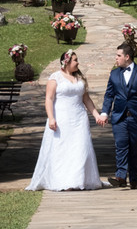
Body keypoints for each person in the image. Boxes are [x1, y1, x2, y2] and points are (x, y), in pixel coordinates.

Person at [26, 49, 107, 191]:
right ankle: (65, 181)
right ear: (66, 62)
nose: (78, 63)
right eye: (75, 60)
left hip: (79, 119)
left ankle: (78, 180)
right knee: (63, 149)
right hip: (62, 118)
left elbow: (86, 99)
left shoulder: (80, 78)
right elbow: (49, 99)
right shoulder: (55, 77)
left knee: (81, 148)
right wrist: (51, 118)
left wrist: (96, 115)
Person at [96, 41, 137, 189]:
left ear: (127, 57)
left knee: (135, 148)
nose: (116, 58)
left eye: (118, 56)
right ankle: (121, 176)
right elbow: (109, 95)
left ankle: (135, 180)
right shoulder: (114, 74)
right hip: (119, 117)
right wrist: (105, 112)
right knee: (121, 146)